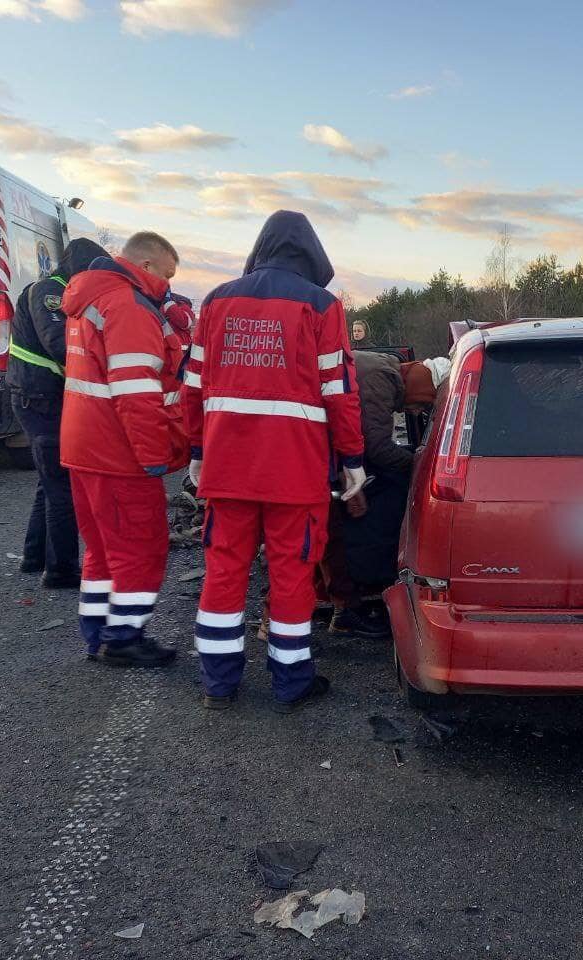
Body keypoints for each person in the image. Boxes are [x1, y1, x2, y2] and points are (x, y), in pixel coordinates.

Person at [184, 210, 365, 713]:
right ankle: (291, 683)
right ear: (312, 254)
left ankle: (217, 685)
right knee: (292, 576)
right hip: (296, 473)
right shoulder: (322, 306)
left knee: (223, 572)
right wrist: (352, 460)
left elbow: (192, 387)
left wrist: (197, 452)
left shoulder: (217, 301)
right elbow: (340, 393)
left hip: (227, 467)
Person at [59, 232, 191, 666]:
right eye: (167, 275)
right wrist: (156, 456)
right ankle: (124, 637)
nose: (168, 285)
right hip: (119, 454)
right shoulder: (129, 309)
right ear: (148, 266)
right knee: (140, 545)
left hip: (84, 447)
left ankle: (97, 632)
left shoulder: (90, 301)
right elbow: (136, 395)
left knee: (102, 547)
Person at [8, 237, 107, 589]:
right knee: (61, 485)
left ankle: (34, 558)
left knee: (48, 481)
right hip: (39, 398)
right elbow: (61, 344)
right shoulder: (50, 290)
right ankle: (61, 571)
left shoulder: (62, 289)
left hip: (42, 396)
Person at [322, 348, 412, 638]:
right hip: (310, 458)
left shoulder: (374, 369)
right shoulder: (379, 377)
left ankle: (342, 608)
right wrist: (420, 465)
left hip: (317, 454)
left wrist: (348, 473)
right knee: (320, 534)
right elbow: (374, 444)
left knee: (317, 536)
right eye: (422, 404)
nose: (415, 412)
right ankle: (342, 611)